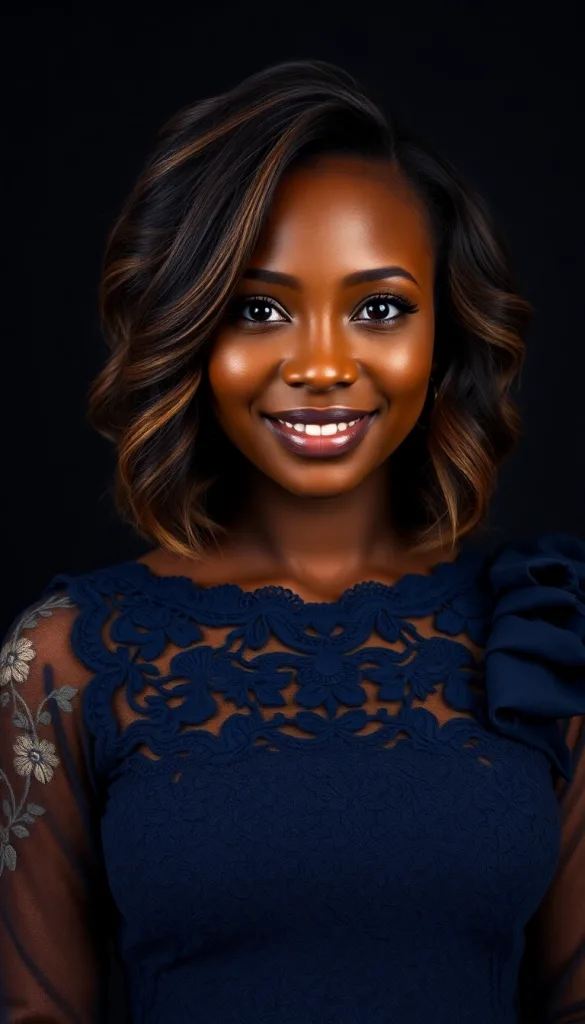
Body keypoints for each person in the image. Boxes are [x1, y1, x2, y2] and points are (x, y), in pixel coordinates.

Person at [1, 58, 584, 1024]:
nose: (320, 363)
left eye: (380, 308)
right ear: (191, 330)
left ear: (444, 335)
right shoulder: (61, 659)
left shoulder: (545, 637)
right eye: (258, 308)